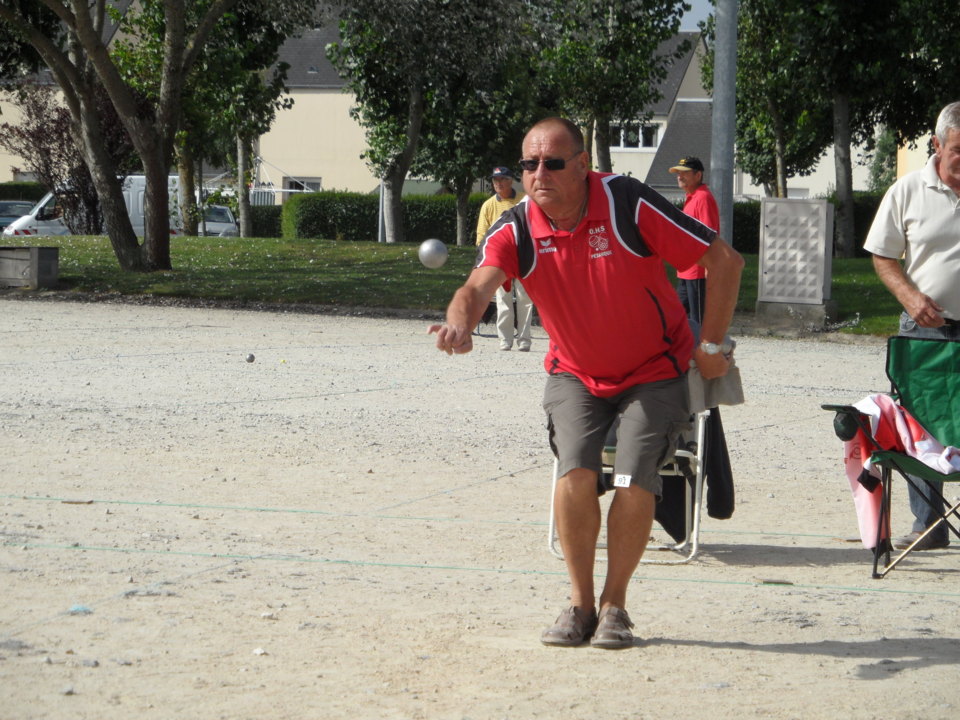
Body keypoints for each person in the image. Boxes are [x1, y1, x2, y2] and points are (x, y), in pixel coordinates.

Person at [429, 117, 743, 649]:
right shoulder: (516, 228)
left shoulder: (625, 202)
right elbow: (475, 286)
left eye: (552, 162)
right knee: (575, 471)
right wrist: (460, 323)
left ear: (582, 165)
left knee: (631, 476)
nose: (537, 174)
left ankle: (615, 605)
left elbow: (725, 261)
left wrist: (710, 348)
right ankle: (579, 604)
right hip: (575, 372)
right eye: (529, 164)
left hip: (653, 369)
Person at [865, 100, 960, 552]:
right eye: (959, 150)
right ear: (937, 145)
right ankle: (928, 526)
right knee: (921, 426)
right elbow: (882, 255)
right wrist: (910, 296)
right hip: (924, 328)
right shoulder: (907, 190)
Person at [475, 166, 533, 351]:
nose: (498, 183)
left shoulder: (524, 200)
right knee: (503, 299)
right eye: (495, 180)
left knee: (526, 299)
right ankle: (505, 340)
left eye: (502, 179)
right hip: (500, 259)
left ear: (510, 180)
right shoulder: (489, 205)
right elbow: (482, 235)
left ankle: (524, 340)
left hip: (523, 255)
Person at [670, 156, 719, 326]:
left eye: (684, 173)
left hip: (698, 270)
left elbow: (708, 234)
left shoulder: (703, 198)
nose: (679, 176)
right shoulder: (692, 197)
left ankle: (703, 352)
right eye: (678, 173)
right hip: (687, 269)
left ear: (698, 176)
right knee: (676, 316)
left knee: (698, 320)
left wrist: (708, 267)